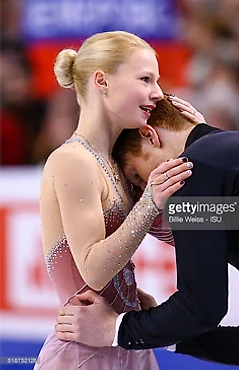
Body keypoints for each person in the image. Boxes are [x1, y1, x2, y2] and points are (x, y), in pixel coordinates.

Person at [54, 97, 239, 370]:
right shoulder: (237, 167)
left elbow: (201, 307)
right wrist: (165, 330)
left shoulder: (194, 170)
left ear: (150, 135)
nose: (147, 192)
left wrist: (115, 330)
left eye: (136, 176)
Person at [35, 31, 194, 369]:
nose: (157, 93)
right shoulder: (73, 161)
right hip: (84, 353)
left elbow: (186, 233)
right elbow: (93, 270)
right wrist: (150, 200)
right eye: (145, 79)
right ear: (102, 81)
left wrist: (196, 141)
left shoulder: (122, 165)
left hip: (126, 342)